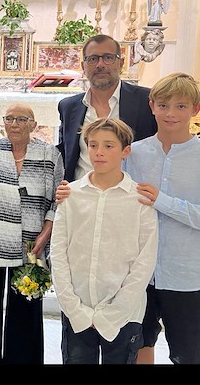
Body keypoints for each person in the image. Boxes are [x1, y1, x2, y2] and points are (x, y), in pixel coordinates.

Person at [0, 102, 64, 364]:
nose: (15, 124)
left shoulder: (49, 154)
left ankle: (23, 359)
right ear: (3, 122)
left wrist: (45, 235)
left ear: (34, 124)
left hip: (31, 245)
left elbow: (57, 201)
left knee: (26, 305)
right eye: (10, 119)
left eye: (22, 119)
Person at [50, 118, 158, 364]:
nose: (99, 152)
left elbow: (145, 262)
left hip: (124, 314)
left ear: (125, 151)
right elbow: (58, 253)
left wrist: (114, 313)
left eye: (109, 146)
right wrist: (73, 307)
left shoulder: (139, 200)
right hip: (77, 311)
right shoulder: (71, 195)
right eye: (93, 144)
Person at [123, 73, 200, 364]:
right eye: (164, 104)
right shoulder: (134, 153)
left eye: (181, 106)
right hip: (139, 271)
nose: (171, 113)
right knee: (139, 345)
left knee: (188, 353)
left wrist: (162, 201)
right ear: (151, 105)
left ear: (195, 109)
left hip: (186, 274)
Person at [57, 34, 157, 183]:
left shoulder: (146, 101)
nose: (100, 64)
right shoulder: (69, 107)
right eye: (93, 59)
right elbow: (64, 154)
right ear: (83, 66)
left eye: (108, 57)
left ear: (121, 63)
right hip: (81, 198)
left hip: (129, 197)